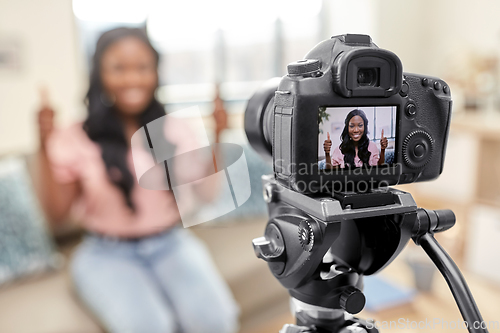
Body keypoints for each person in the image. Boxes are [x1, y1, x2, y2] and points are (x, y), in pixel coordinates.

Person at [36, 27, 239, 333]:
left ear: (155, 73)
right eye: (119, 68)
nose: (132, 78)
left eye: (142, 67)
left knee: (216, 321)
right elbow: (56, 216)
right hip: (105, 254)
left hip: (170, 243)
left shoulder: (174, 130)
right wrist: (44, 145)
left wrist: (219, 135)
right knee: (151, 326)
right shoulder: (76, 136)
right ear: (99, 73)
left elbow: (208, 196)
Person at [323, 109, 388, 169]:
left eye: (360, 125)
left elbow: (379, 170)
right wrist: (327, 153)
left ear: (365, 127)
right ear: (347, 128)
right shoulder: (339, 150)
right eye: (352, 126)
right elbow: (331, 173)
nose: (356, 130)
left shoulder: (372, 146)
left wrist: (383, 149)